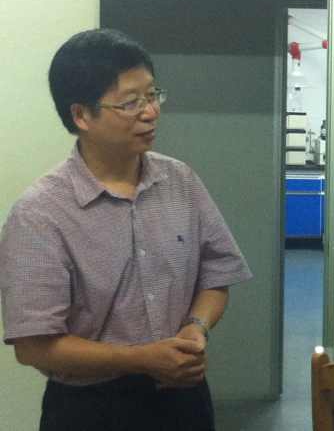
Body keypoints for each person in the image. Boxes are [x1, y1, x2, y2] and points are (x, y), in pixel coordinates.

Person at [0, 28, 253, 431]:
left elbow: (217, 273)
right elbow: (33, 347)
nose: (150, 112)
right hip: (91, 408)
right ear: (81, 115)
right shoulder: (40, 213)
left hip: (183, 397)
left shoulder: (180, 181)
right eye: (130, 102)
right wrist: (141, 359)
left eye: (152, 95)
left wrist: (196, 327)